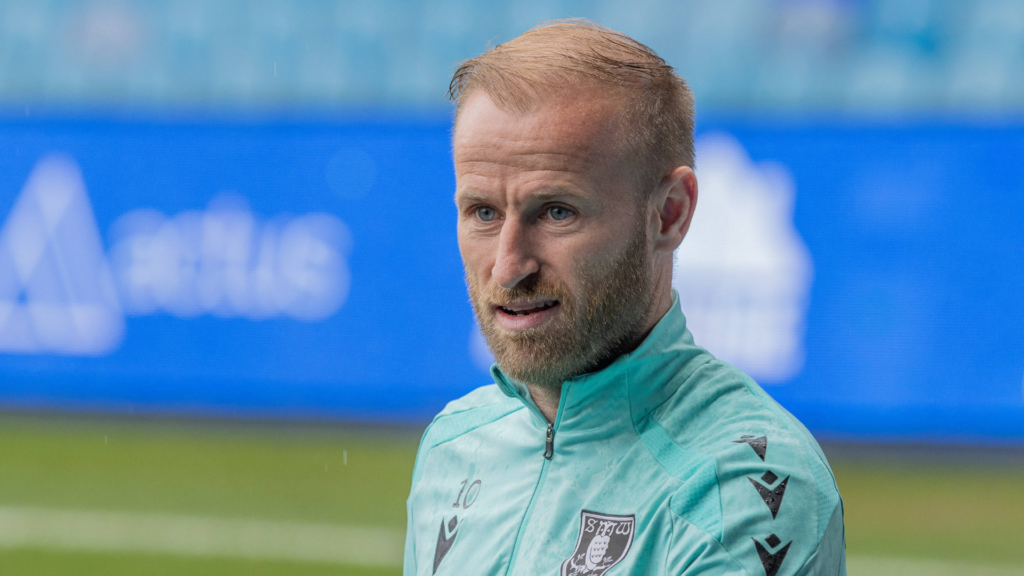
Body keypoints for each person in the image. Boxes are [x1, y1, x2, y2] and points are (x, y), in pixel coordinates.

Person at [403, 19, 845, 576]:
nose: (509, 266)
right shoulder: (454, 444)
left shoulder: (744, 485)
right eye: (483, 213)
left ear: (670, 214)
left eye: (558, 212)